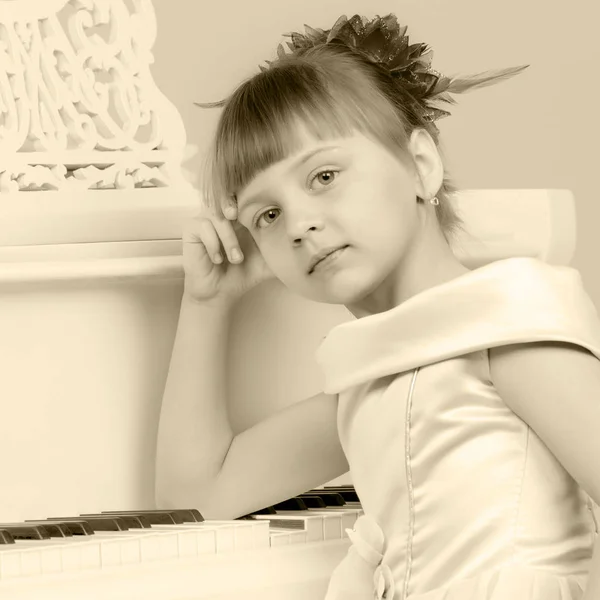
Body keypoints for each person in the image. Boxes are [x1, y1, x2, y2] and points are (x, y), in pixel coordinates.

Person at [155, 13, 600, 600]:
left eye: (323, 176)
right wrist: (206, 303)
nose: (299, 224)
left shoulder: (509, 328)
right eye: (267, 214)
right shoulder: (372, 382)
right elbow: (198, 494)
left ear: (421, 165)